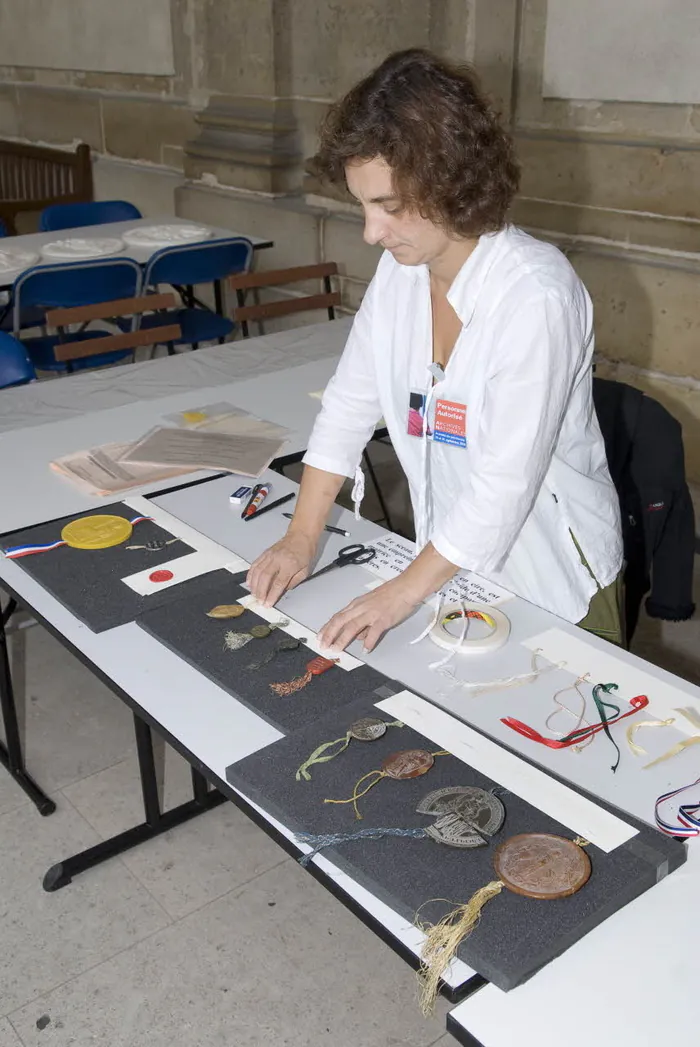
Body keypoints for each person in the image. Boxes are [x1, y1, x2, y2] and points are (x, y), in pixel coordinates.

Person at [247, 48, 623, 652]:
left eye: (389, 207)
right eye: (363, 205)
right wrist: (301, 535)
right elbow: (347, 406)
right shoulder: (400, 272)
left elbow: (503, 485)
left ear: (452, 182)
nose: (371, 231)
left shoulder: (535, 295)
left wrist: (400, 593)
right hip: (448, 568)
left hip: (552, 579)